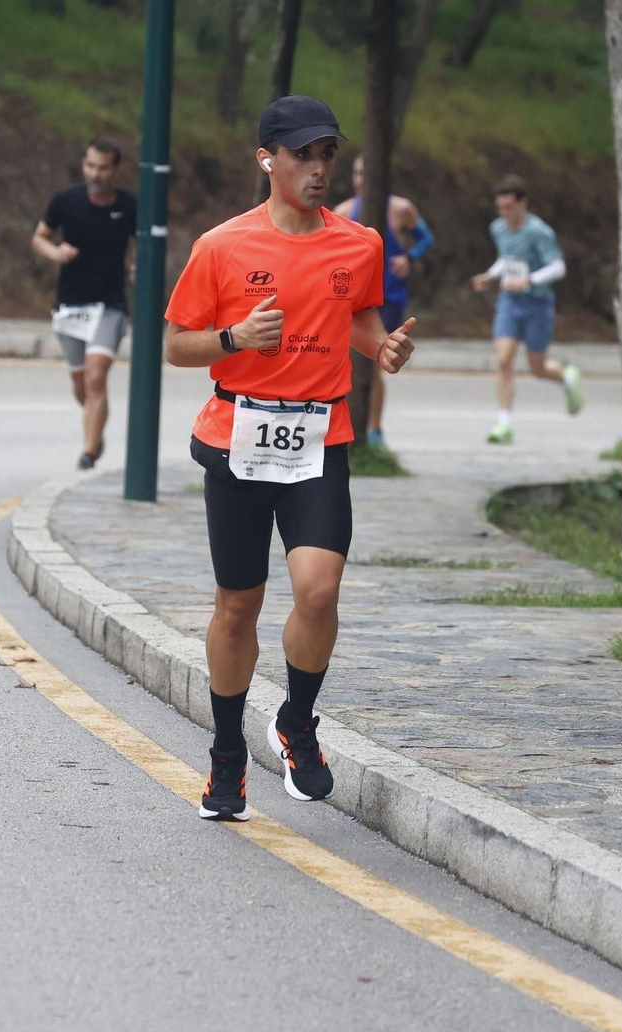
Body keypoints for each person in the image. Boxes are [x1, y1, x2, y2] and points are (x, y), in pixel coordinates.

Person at [164, 96, 415, 821]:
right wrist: (236, 339)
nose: (317, 168)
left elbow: (361, 321)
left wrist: (384, 347)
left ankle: (297, 722)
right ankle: (226, 753)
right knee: (237, 607)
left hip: (319, 442)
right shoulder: (222, 246)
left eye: (327, 154)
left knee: (319, 591)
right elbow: (178, 344)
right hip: (239, 440)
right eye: (302, 154)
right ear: (266, 158)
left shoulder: (358, 243)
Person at [32, 137, 137, 469]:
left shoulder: (130, 206)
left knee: (95, 378)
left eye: (104, 168)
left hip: (110, 304)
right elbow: (39, 237)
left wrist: (137, 264)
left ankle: (88, 453)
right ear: (83, 165)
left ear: (115, 170)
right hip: (71, 304)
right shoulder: (66, 200)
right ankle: (96, 428)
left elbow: (144, 243)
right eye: (91, 166)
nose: (96, 174)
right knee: (80, 384)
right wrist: (55, 253)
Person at [470, 174, 582, 445]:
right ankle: (504, 423)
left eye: (509, 207)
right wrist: (491, 275)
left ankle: (567, 377)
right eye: (500, 208)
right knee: (504, 360)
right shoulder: (498, 228)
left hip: (538, 304)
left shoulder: (539, 232)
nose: (504, 213)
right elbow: (507, 259)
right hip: (509, 302)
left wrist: (529, 280)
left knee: (538, 368)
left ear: (523, 204)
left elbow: (558, 267)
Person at [333, 154, 433, 447]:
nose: (362, 179)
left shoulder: (401, 209)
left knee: (375, 361)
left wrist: (408, 257)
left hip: (389, 296)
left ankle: (373, 430)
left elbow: (426, 239)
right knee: (346, 362)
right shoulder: (343, 211)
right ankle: (348, 426)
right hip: (351, 299)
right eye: (357, 173)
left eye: (367, 173)